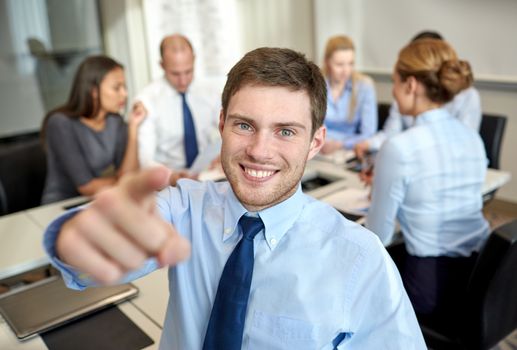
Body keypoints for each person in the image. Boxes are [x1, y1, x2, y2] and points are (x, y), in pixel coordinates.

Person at [43, 48, 426, 349]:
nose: (260, 150)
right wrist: (79, 240)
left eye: (286, 131)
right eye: (245, 125)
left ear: (316, 143)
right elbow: (107, 243)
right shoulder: (184, 207)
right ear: (222, 124)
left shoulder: (361, 259)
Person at [365, 39, 490, 326]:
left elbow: (377, 238)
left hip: (429, 289)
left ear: (410, 84)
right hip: (479, 276)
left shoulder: (400, 148)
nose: (394, 93)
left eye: (395, 82)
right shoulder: (472, 137)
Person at [354, 31, 482, 159]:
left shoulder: (468, 98)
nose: (393, 91)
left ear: (411, 84)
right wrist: (369, 144)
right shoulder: (403, 96)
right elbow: (391, 132)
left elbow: (461, 147)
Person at [41, 55, 147, 204]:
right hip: (61, 206)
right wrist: (124, 181)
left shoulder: (114, 121)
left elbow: (131, 175)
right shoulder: (60, 123)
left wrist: (133, 127)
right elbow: (87, 187)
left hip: (99, 201)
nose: (125, 94)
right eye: (117, 88)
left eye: (125, 87)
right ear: (93, 91)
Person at [135, 34, 220, 185]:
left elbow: (228, 130)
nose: (183, 80)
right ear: (162, 65)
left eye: (188, 72)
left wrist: (225, 156)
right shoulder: (147, 99)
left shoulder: (211, 92)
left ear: (194, 59)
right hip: (168, 181)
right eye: (175, 74)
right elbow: (144, 159)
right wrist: (170, 176)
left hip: (207, 176)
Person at [320, 35, 377, 153]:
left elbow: (369, 133)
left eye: (351, 64)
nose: (346, 70)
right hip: (319, 148)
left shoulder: (364, 86)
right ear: (327, 62)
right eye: (339, 64)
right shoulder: (316, 84)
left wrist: (340, 144)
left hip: (349, 150)